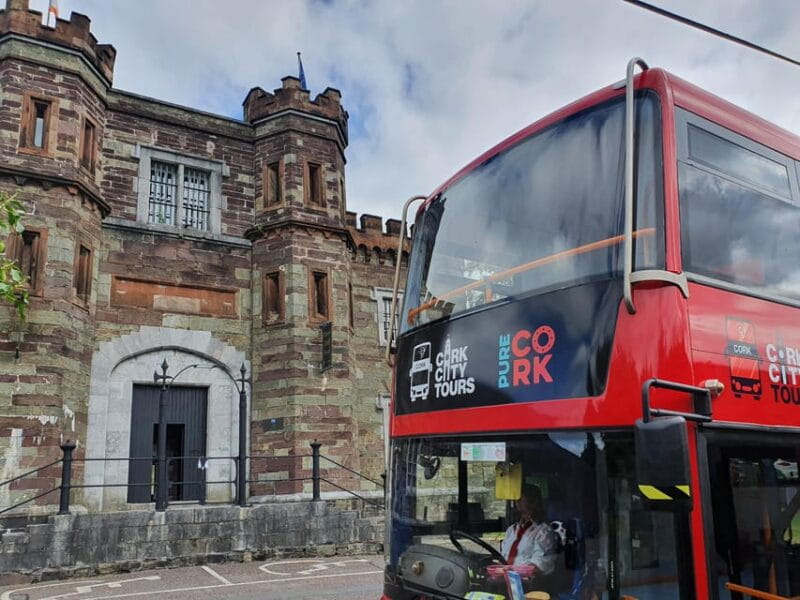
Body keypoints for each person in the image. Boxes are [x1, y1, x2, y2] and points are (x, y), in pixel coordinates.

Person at [500, 485, 558, 575]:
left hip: (529, 584)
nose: (517, 501)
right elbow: (503, 557)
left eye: (521, 498)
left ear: (534, 502)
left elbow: (540, 565)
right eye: (516, 498)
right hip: (505, 579)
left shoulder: (544, 532)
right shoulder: (511, 530)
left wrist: (515, 571)